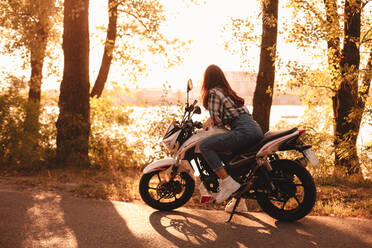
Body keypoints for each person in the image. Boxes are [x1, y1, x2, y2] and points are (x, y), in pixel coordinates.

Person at [199, 64, 264, 204]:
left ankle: (227, 182)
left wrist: (209, 121)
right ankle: (239, 202)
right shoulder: (227, 91)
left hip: (243, 130)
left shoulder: (213, 93)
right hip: (254, 128)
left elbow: (217, 120)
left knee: (205, 146)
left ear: (207, 80)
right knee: (231, 160)